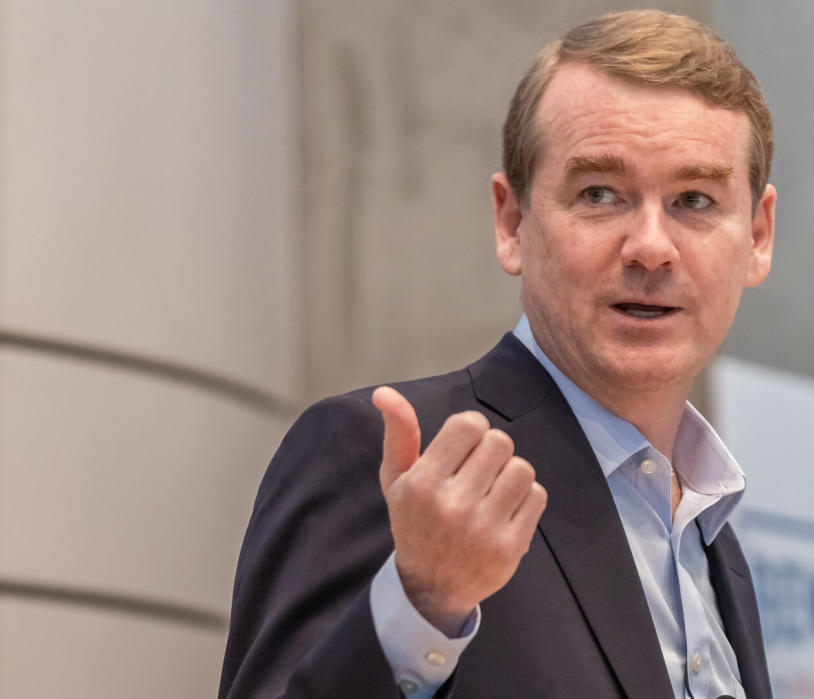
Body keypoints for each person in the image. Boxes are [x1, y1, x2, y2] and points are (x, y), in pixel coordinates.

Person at [219, 9, 777, 699]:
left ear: (757, 236)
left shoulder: (712, 539)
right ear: (512, 223)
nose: (651, 247)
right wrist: (417, 603)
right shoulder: (395, 462)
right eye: (599, 194)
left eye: (694, 199)